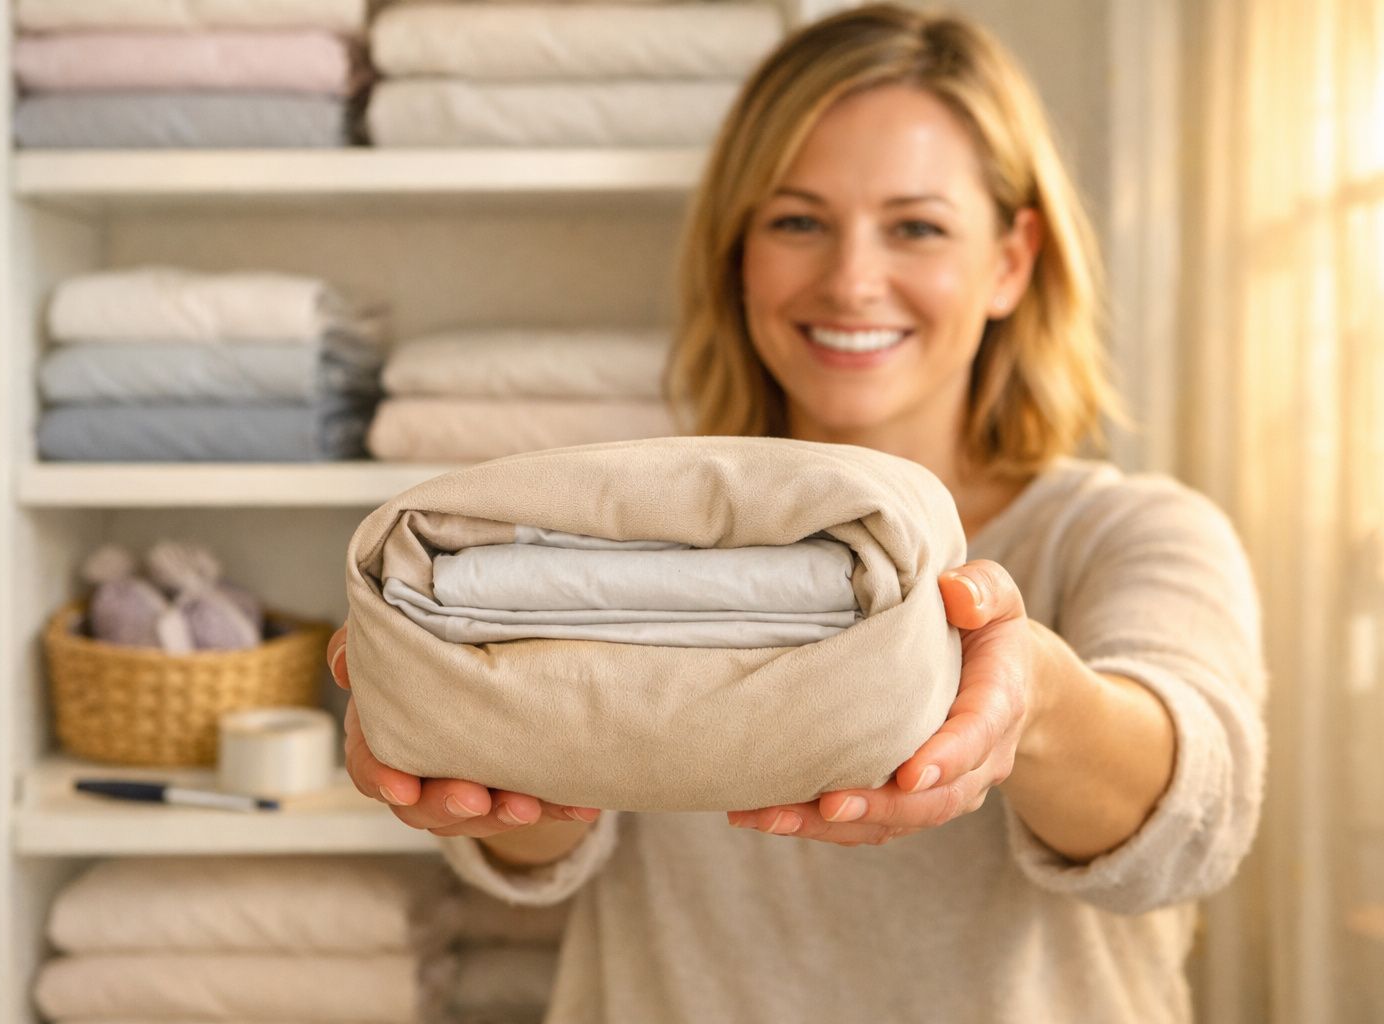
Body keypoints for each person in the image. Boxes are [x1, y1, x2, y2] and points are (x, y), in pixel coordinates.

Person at [328, 4, 1266, 1020]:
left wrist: (1028, 699)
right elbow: (534, 848)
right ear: (740, 252)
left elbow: (1194, 818)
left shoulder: (1127, 532)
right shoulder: (625, 530)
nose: (852, 279)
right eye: (796, 221)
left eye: (916, 226)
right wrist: (501, 772)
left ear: (1009, 258)